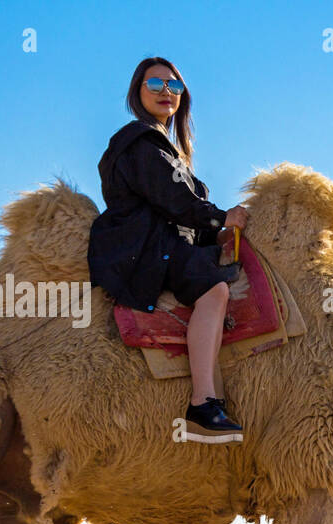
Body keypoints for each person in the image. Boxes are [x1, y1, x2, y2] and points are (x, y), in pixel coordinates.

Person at [88, 56, 248, 444]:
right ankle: (203, 400)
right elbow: (174, 200)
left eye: (174, 86)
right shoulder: (141, 141)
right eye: (155, 84)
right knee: (215, 291)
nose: (166, 92)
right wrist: (222, 218)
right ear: (137, 93)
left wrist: (216, 230)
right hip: (148, 247)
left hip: (161, 240)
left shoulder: (162, 146)